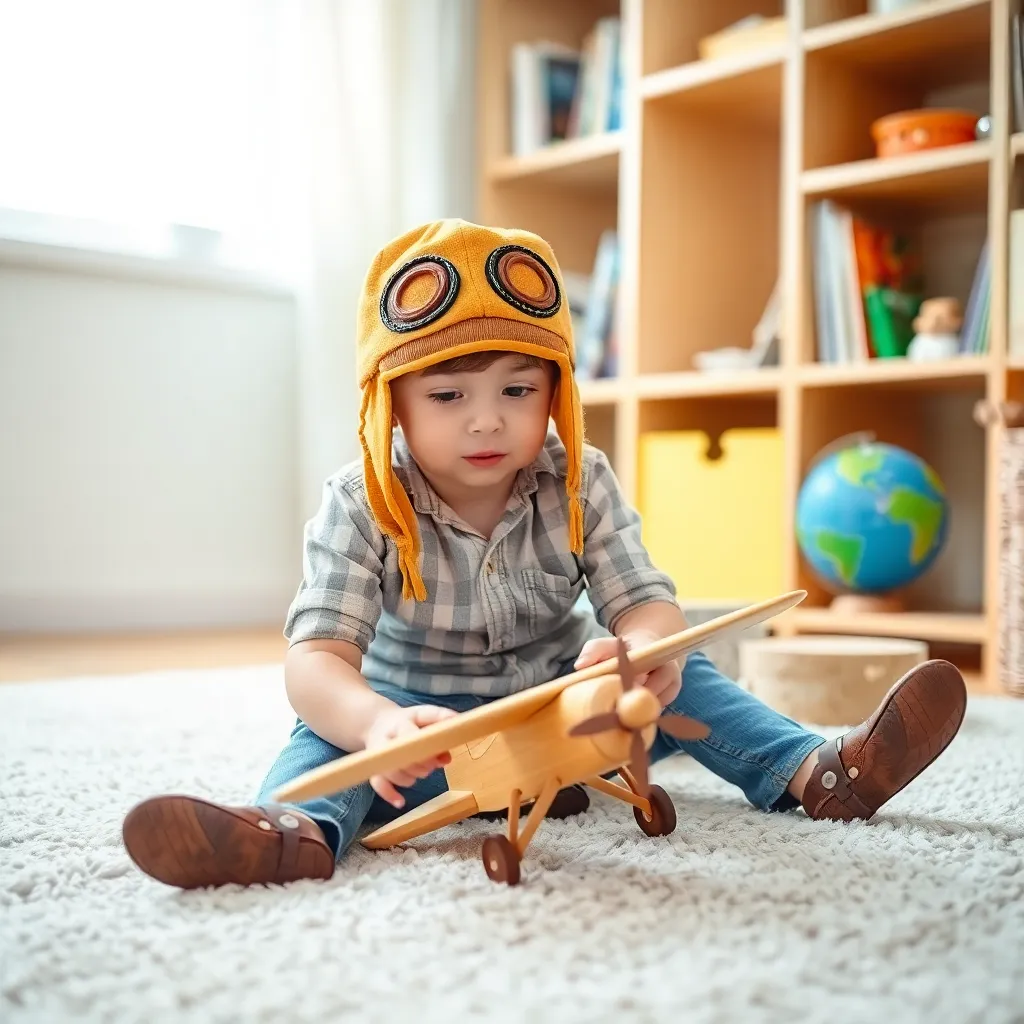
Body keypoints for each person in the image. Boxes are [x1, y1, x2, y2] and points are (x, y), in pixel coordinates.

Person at [121, 219, 967, 890]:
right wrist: (378, 722)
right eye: (449, 396)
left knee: (693, 675)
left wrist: (643, 652)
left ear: (555, 391)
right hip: (425, 739)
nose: (487, 420)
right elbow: (316, 662)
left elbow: (645, 600)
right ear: (392, 407)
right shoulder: (361, 500)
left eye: (518, 392)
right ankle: (286, 837)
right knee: (323, 741)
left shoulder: (580, 480)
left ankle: (819, 773)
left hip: (568, 717)